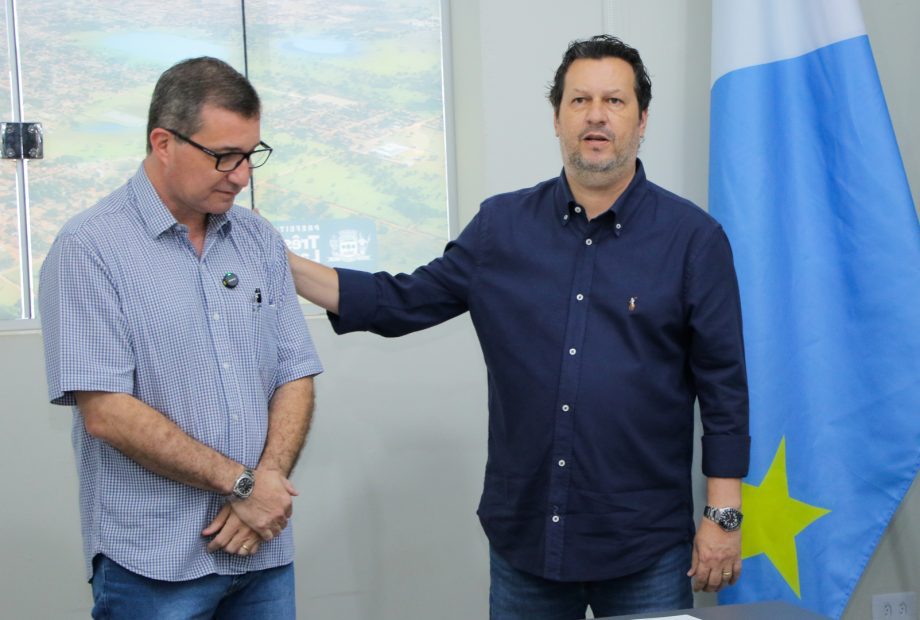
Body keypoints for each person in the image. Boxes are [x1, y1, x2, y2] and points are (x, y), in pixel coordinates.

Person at [286, 35, 749, 618]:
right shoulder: (500, 228)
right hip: (528, 540)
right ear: (557, 118)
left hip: (645, 544)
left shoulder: (693, 239)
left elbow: (724, 387)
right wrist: (281, 262)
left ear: (642, 119)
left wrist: (722, 516)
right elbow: (397, 302)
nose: (597, 115)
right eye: (579, 100)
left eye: (614, 100)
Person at [39, 57, 323, 619]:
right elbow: (107, 412)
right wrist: (244, 486)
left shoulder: (258, 238)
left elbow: (295, 372)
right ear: (163, 143)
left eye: (251, 155)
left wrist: (264, 485)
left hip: (261, 551)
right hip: (153, 562)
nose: (241, 175)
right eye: (224, 156)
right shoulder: (90, 248)